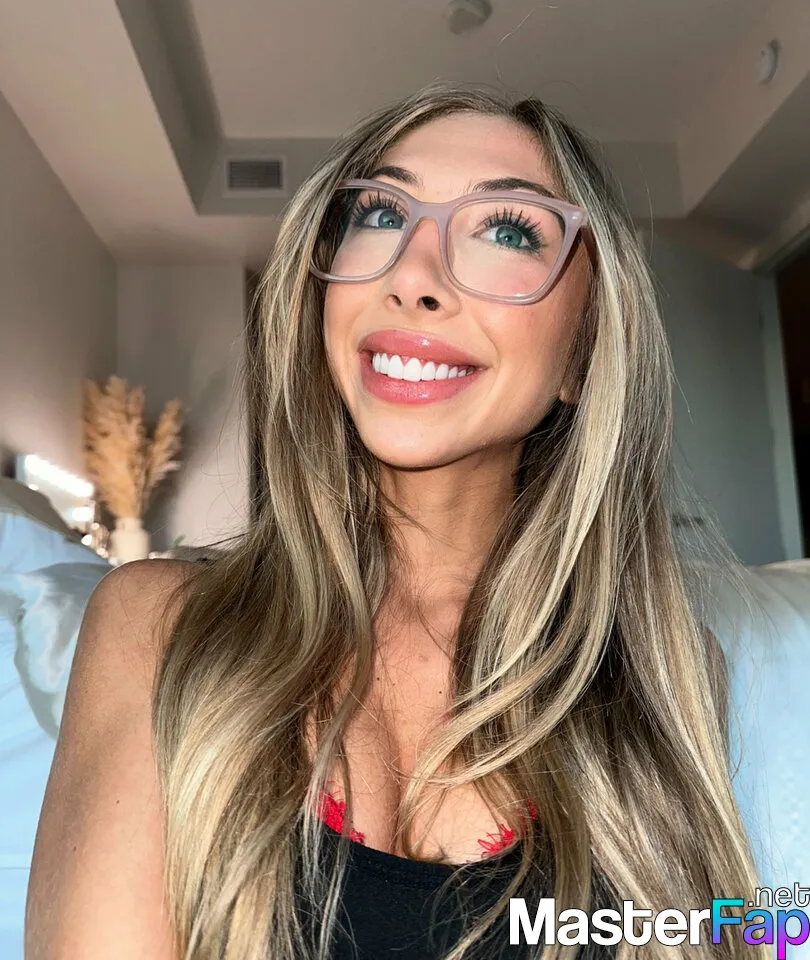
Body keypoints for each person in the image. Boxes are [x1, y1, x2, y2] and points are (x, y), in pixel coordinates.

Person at [26, 82, 767, 960]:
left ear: (582, 352)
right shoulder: (156, 627)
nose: (412, 275)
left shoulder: (667, 674)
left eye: (506, 231)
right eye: (379, 214)